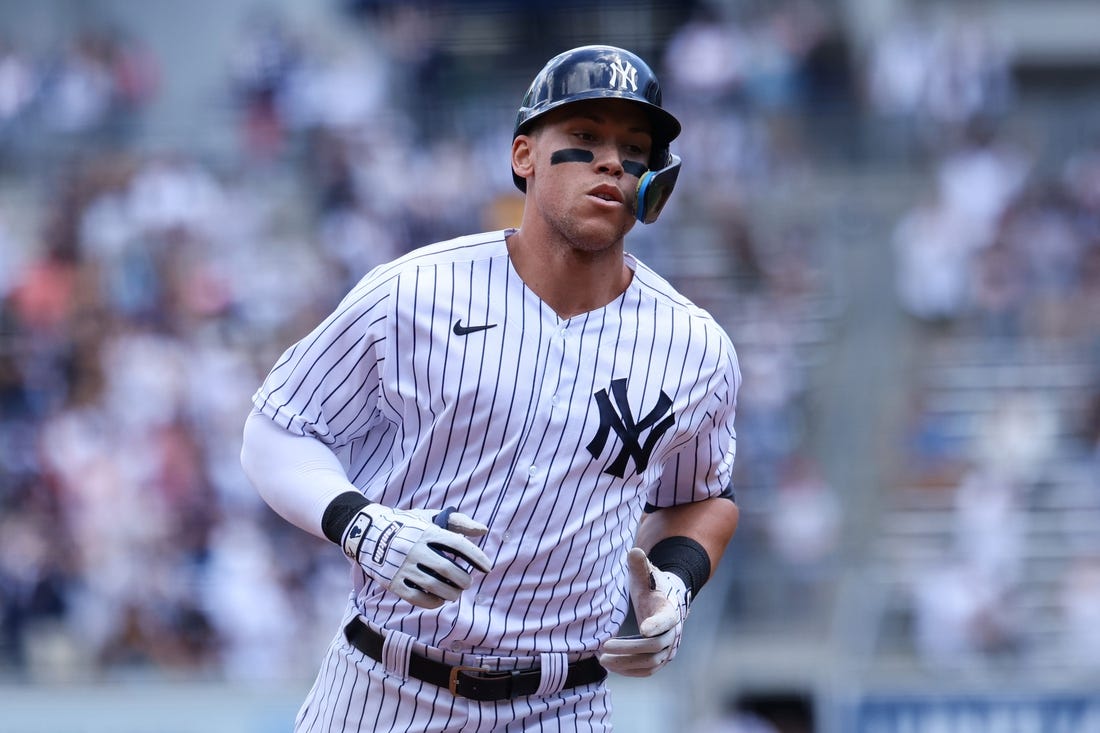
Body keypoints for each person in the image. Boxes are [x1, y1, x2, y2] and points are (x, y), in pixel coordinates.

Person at [240, 44, 741, 732]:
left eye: (634, 147)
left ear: (657, 180)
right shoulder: (415, 292)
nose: (610, 162)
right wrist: (361, 523)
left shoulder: (695, 346)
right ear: (524, 156)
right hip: (385, 685)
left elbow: (701, 497)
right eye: (584, 138)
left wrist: (676, 582)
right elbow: (278, 427)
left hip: (564, 701)